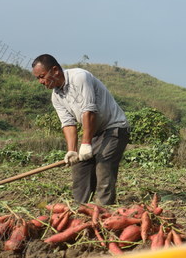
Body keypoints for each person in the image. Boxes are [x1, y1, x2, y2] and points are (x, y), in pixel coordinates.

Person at [31, 54, 130, 205]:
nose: (41, 82)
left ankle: (104, 211)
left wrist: (85, 144)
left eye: (42, 76)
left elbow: (89, 111)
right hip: (95, 133)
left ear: (55, 70)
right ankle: (80, 210)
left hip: (114, 128)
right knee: (80, 168)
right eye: (38, 78)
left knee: (103, 166)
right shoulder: (56, 96)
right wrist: (72, 150)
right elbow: (68, 123)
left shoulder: (79, 78)